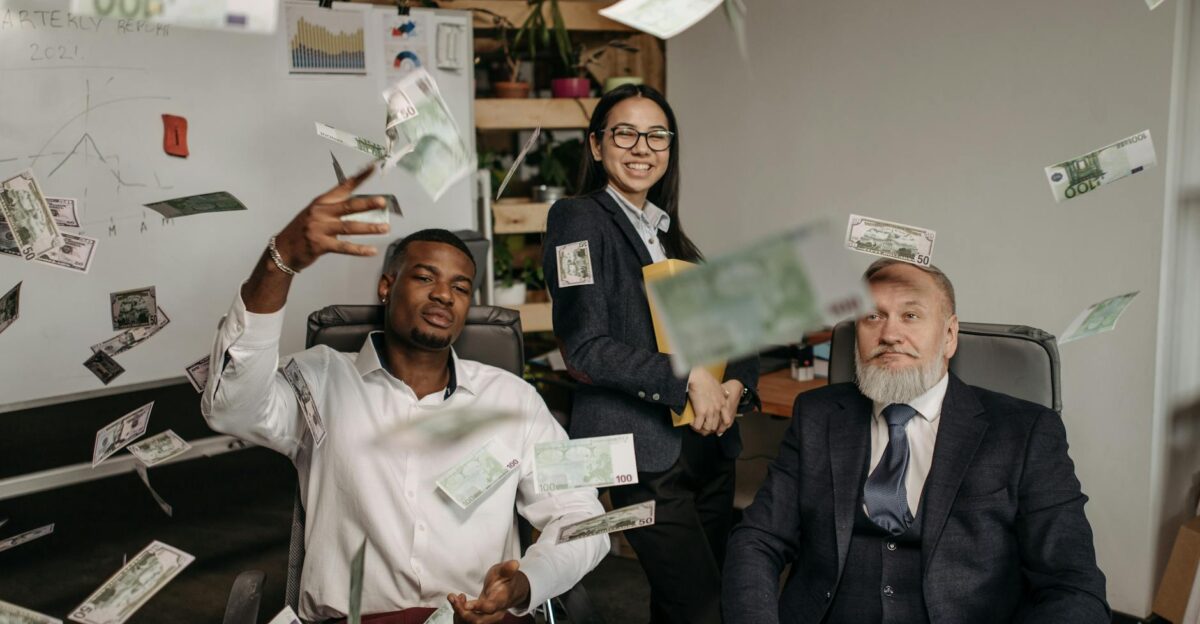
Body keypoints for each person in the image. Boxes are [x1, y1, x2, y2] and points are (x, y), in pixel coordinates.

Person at [201, 167, 608, 624]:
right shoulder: (318, 380)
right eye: (424, 277)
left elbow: (582, 516)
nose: (443, 295)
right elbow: (229, 407)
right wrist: (282, 261)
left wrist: (530, 581)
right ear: (387, 285)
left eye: (459, 287)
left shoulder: (515, 400)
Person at [722, 258, 1110, 623]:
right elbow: (758, 539)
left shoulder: (1024, 432)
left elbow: (1073, 585)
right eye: (872, 316)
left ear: (949, 335)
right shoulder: (817, 415)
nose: (890, 334)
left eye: (911, 315)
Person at [542, 84, 760, 624]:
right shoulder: (576, 221)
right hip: (639, 455)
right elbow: (586, 347)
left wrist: (737, 383)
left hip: (707, 449)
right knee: (702, 606)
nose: (642, 147)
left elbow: (730, 337)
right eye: (625, 133)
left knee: (686, 603)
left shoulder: (670, 238)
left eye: (657, 135)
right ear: (596, 146)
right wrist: (686, 379)